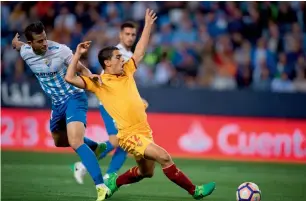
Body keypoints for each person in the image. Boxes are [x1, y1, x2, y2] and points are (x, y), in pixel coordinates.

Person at [65, 9, 215, 200]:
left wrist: (148, 26)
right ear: (107, 63)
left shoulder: (126, 70)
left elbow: (140, 51)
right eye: (118, 57)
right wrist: (77, 54)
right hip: (129, 135)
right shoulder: (99, 82)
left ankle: (114, 183)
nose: (122, 59)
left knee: (146, 172)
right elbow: (69, 77)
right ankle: (195, 191)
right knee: (164, 157)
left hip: (144, 130)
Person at [12, 21, 110, 201]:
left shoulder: (61, 50)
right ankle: (96, 146)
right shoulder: (26, 52)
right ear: (30, 43)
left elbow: (80, 68)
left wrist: (92, 78)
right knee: (59, 141)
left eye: (45, 38)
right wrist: (15, 42)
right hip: (56, 103)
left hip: (74, 97)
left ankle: (101, 186)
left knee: (75, 141)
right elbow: (17, 45)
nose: (44, 43)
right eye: (39, 41)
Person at [73, 21, 149, 184]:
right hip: (110, 105)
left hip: (120, 104)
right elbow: (107, 82)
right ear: (120, 35)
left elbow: (126, 85)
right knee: (117, 140)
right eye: (127, 34)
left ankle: (109, 176)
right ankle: (85, 164)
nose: (130, 37)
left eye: (133, 35)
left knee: (123, 143)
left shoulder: (123, 54)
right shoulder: (115, 54)